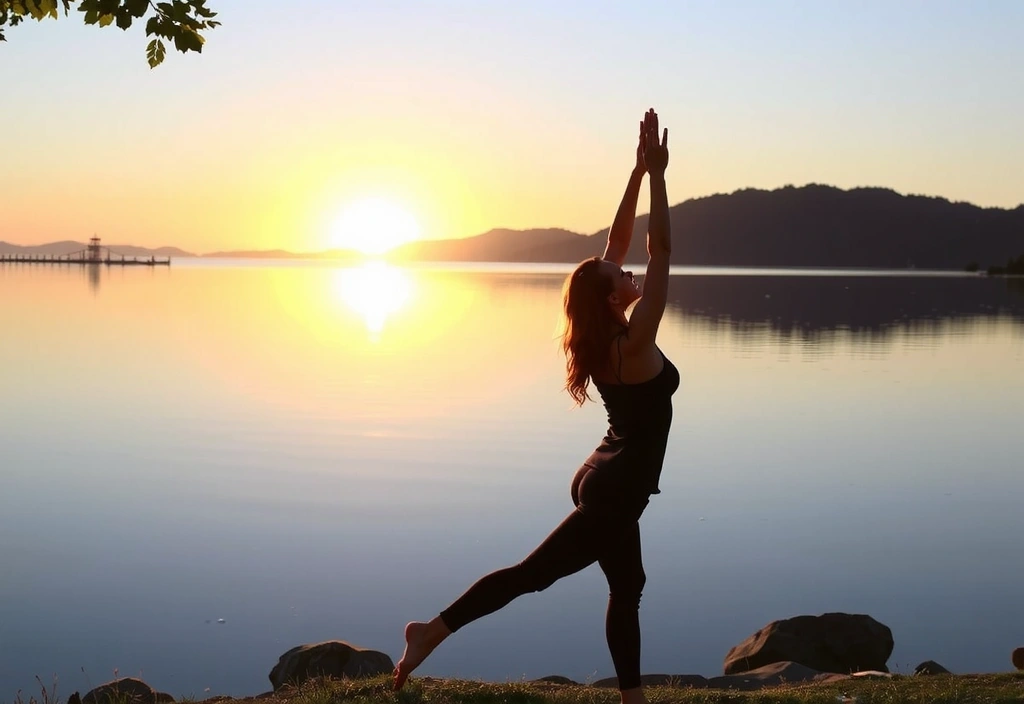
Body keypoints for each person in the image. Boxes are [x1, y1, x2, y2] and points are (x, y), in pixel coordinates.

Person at [394, 109, 677, 704]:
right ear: (609, 297)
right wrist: (659, 177)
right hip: (616, 488)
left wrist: (634, 171)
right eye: (615, 273)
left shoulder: (608, 338)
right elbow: (659, 251)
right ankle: (430, 632)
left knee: (628, 587)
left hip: (604, 476)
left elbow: (621, 242)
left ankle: (632, 699)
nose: (623, 268)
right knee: (534, 576)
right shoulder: (635, 340)